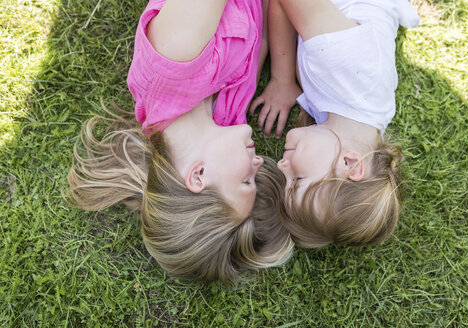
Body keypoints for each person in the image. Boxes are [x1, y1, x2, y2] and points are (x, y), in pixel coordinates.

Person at [67, 0, 293, 283]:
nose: (258, 162)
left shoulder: (174, 63)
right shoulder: (226, 119)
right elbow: (256, 39)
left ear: (198, 175)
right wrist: (282, 79)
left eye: (246, 180)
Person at [251, 0, 420, 246]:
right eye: (298, 179)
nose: (281, 165)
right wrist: (282, 78)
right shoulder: (344, 68)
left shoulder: (349, 124)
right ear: (350, 163)